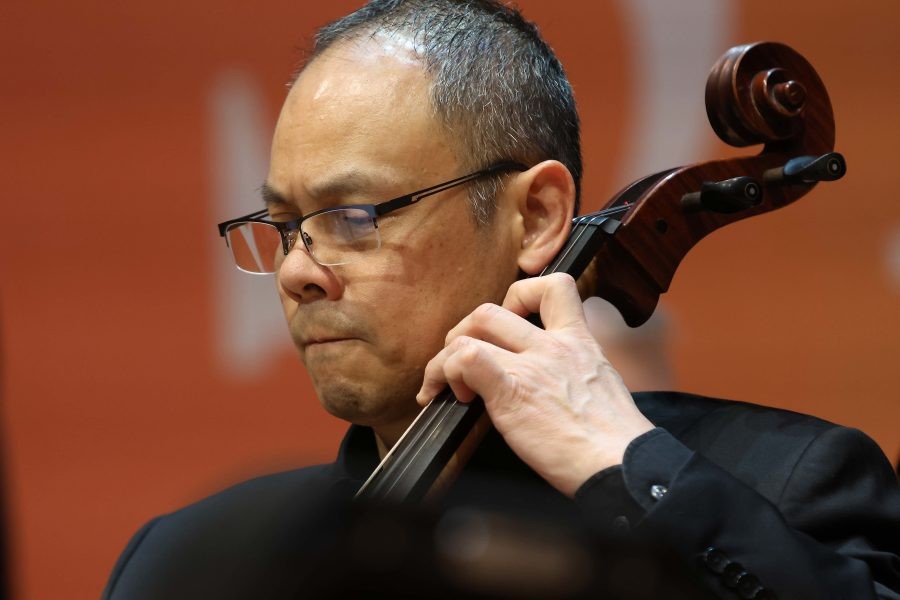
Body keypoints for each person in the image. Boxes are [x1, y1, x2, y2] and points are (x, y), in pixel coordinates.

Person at [103, 1, 900, 598]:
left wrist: (631, 466)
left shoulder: (784, 485)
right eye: (285, 226)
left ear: (538, 217)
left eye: (353, 215)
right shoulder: (189, 560)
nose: (295, 272)